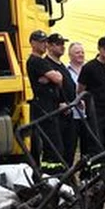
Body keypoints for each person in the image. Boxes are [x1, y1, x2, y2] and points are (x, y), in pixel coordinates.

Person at [24, 29, 66, 171]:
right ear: (33, 43)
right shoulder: (36, 61)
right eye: (41, 42)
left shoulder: (41, 62)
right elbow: (58, 78)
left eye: (45, 42)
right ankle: (51, 175)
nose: (44, 45)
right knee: (52, 145)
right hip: (44, 107)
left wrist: (50, 77)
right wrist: (53, 76)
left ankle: (55, 174)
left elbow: (59, 79)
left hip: (50, 106)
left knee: (56, 144)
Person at [77, 36, 105, 158]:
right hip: (95, 110)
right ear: (99, 49)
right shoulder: (89, 67)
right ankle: (97, 170)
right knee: (96, 142)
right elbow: (80, 88)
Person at [46, 32, 77, 167]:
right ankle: (58, 177)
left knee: (70, 148)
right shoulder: (47, 64)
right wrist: (59, 103)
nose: (62, 47)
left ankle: (68, 175)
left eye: (63, 44)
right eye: (58, 44)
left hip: (69, 112)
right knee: (58, 149)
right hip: (57, 113)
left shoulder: (61, 65)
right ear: (49, 46)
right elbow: (48, 89)